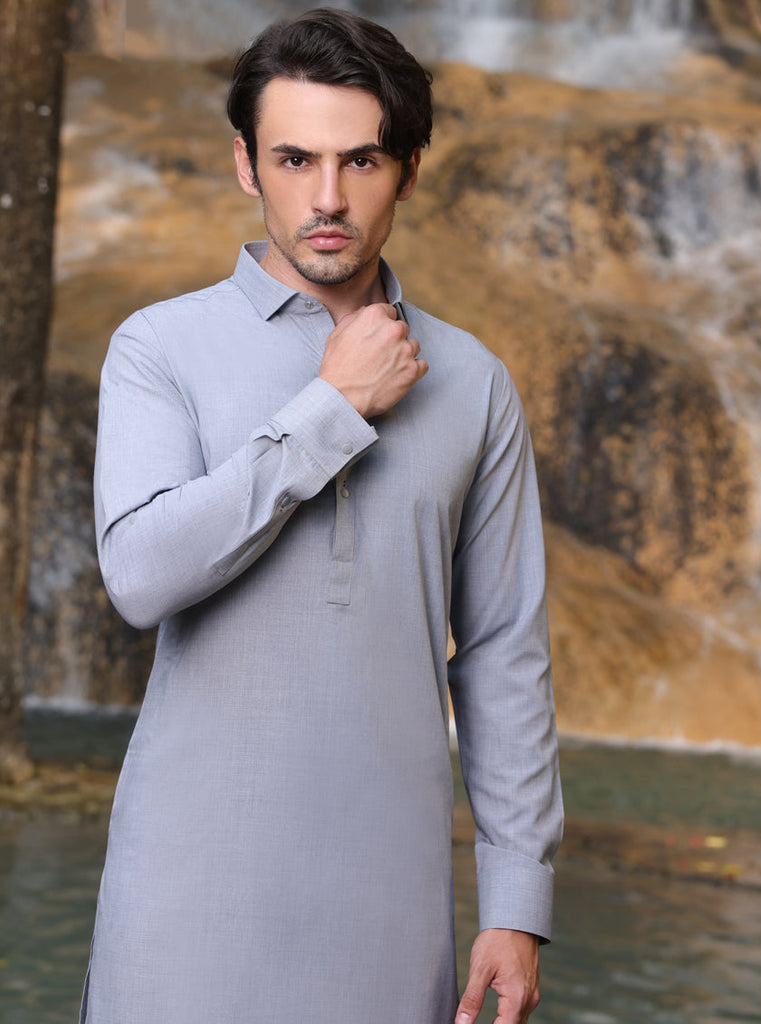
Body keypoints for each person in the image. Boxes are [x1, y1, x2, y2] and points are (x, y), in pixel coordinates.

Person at [81, 8, 563, 1024]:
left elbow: (502, 653)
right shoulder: (156, 349)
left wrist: (516, 903)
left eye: (362, 161)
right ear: (246, 165)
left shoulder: (474, 381)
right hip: (182, 894)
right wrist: (329, 409)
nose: (328, 197)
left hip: (390, 906)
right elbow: (140, 576)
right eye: (294, 159)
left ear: (410, 171)